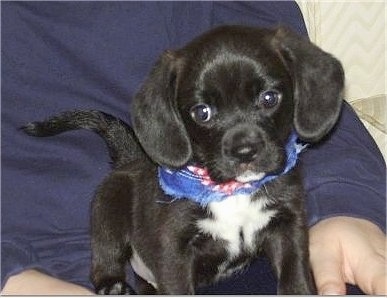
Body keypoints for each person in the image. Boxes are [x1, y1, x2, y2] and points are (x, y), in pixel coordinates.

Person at [1, 1, 385, 295]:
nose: (245, 143)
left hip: (255, 259)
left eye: (266, 99)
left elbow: (298, 76)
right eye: (204, 112)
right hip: (36, 256)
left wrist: (345, 203)